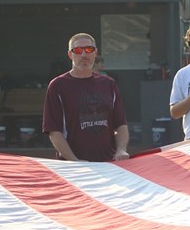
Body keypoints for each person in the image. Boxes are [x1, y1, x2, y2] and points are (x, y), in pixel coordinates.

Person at [42, 33, 129, 162]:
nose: (83, 55)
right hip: (74, 167)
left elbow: (121, 124)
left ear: (95, 53)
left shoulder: (109, 84)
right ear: (70, 54)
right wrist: (74, 161)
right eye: (77, 50)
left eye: (89, 49)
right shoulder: (57, 86)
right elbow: (54, 131)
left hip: (109, 163)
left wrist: (121, 150)